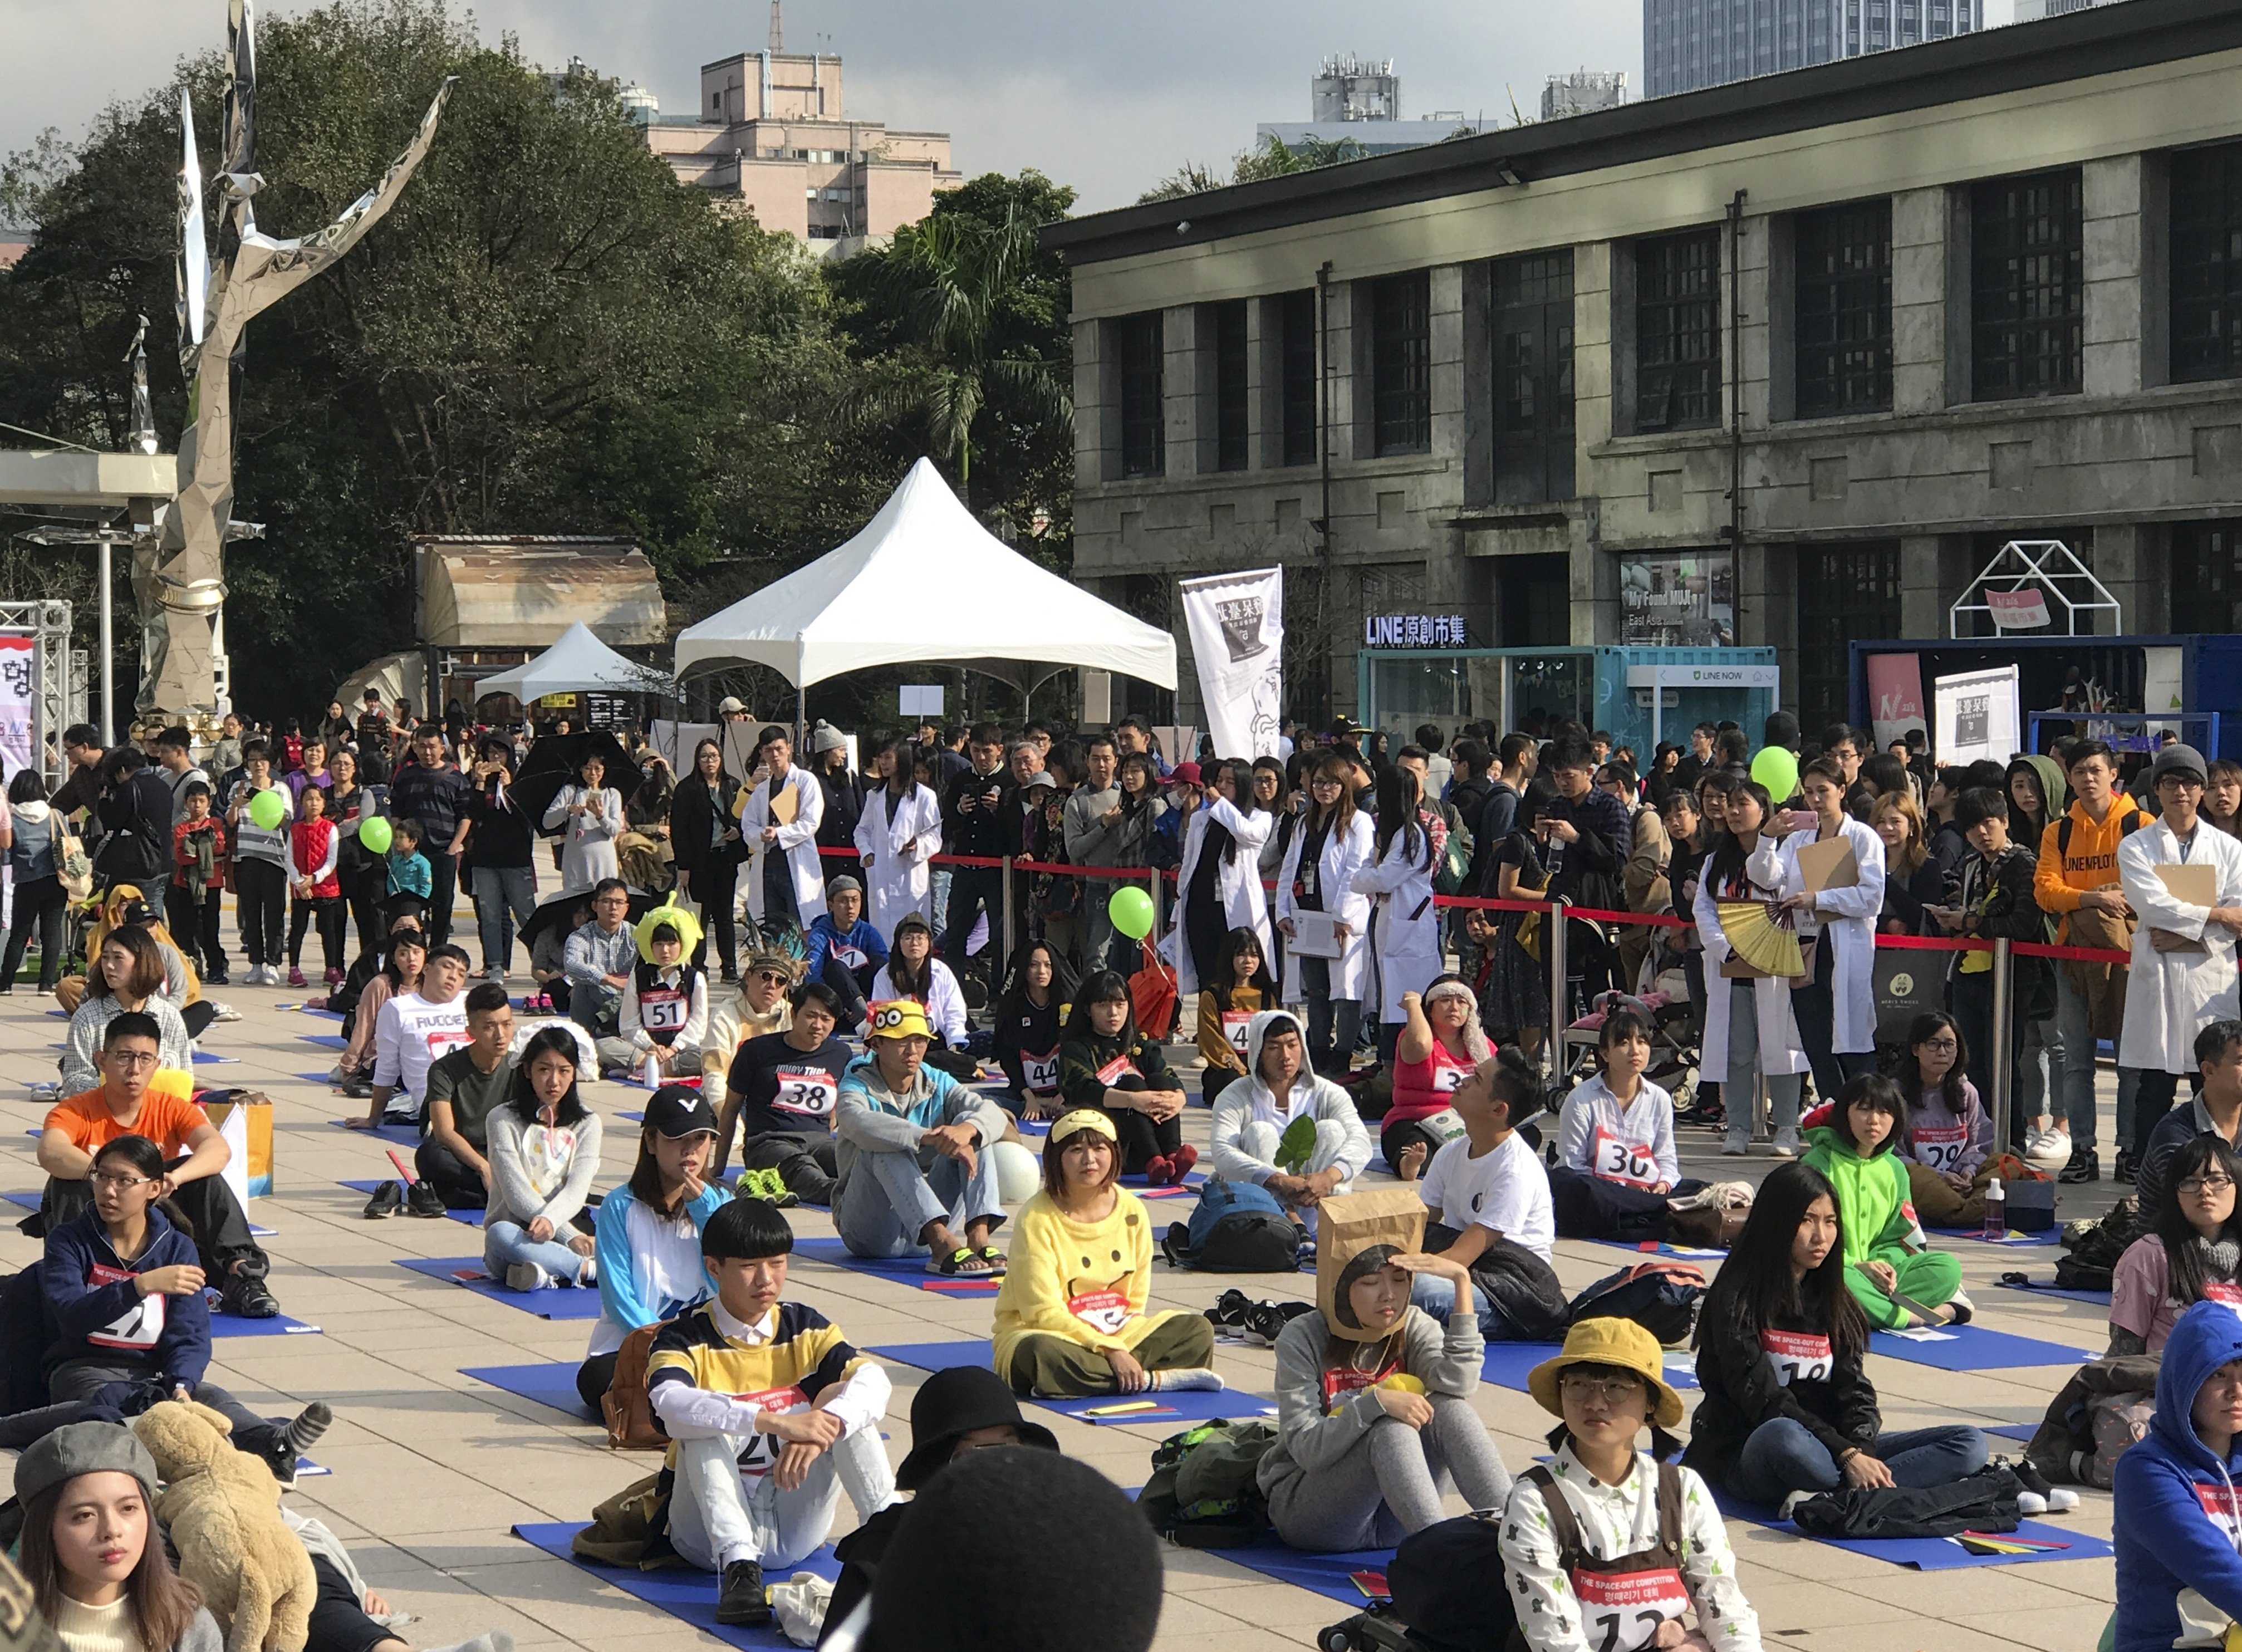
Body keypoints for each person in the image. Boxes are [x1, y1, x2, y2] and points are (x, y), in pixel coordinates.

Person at [644, 1197, 896, 1628]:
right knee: (703, 1422)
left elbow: (875, 1380)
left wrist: (824, 1424)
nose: (766, 1279)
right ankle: (739, 1568)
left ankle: (892, 1540)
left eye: (777, 1263)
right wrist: (774, 1421)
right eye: (748, 1266)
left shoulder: (804, 1325)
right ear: (714, 1266)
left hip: (792, 1518)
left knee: (849, 1404)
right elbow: (669, 1404)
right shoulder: (683, 1336)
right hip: (708, 1537)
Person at [1687, 1159, 1986, 1513]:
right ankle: (1863, 1495)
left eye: (1830, 1222)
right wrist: (1846, 1456)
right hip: (1754, 1447)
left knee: (1969, 1443)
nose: (1821, 1236)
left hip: (1832, 1449)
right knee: (1782, 1435)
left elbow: (1855, 1389)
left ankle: (1835, 1496)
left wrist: (1862, 1451)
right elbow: (1763, 1400)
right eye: (1807, 1221)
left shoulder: (1832, 1297)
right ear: (1776, 1222)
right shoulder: (1737, 1298)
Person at [38, 1139, 325, 1484]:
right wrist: (139, 1286)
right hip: (84, 1367)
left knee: (211, 1398)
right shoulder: (69, 1240)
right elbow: (70, 1315)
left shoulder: (177, 1247)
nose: (108, 1191)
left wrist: (182, 1381)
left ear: (154, 1189)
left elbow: (190, 1331)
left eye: (124, 1181)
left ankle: (274, 1444)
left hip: (152, 1370)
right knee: (116, 1408)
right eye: (101, 1177)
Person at [1259, 1199, 1510, 1552]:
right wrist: (1371, 1404)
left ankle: (1520, 1530)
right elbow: (1307, 1449)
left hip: (1397, 1518)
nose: (1388, 1295)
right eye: (1370, 1282)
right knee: (1390, 1428)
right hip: (1315, 1514)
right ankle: (1439, 1557)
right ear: (1341, 1288)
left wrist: (1461, 1282)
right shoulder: (1303, 1336)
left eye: (1399, 1279)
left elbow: (1459, 1384)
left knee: (1451, 1408)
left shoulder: (1414, 1325)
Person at [1503, 1316, 1760, 1652]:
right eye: (1579, 1384)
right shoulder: (1534, 1501)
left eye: (1616, 1387)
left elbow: (1723, 1603)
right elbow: (1556, 1640)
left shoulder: (1683, 1489)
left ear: (1651, 1402)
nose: (1595, 1402)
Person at [36, 1015, 278, 1319]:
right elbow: (51, 1151)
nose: (134, 1070)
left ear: (157, 1064)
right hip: (100, 1213)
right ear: (102, 1060)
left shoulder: (171, 1108)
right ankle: (77, 1278)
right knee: (68, 1180)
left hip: (158, 1210)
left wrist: (173, 1178)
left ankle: (243, 1276)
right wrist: (113, 1177)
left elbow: (218, 1150)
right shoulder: (75, 1109)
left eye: (145, 1059)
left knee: (204, 1176)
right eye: (124, 1057)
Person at [818, 1365, 1059, 1641]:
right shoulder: (886, 1552)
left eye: (1009, 1451)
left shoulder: (1049, 1538)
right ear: (936, 1469)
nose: (996, 1471)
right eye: (972, 1457)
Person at [990, 1110, 1220, 1397]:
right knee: (1039, 1354)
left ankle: (1098, 1379)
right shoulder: (1036, 1218)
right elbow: (1042, 1312)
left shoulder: (1132, 1210)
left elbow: (1134, 1301)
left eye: (1099, 1148)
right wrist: (1108, 1350)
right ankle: (1152, 1380)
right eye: (1076, 1150)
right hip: (1054, 1334)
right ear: (1056, 1158)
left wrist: (1117, 1345)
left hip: (1119, 1332)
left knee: (1198, 1330)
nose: (1089, 1160)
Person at [2120, 743, 2242, 1169]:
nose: (2181, 791)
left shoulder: (2228, 849)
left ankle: (2216, 1169)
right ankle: (2146, 1171)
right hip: (2157, 973)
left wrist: (2193, 938)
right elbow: (2152, 906)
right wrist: (2215, 915)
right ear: (2156, 788)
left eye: (2190, 782)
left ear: (2201, 790)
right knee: (2153, 1086)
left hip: (2208, 980)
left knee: (2208, 1081)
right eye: (2170, 782)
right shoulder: (2135, 846)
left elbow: (2239, 914)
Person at [2031, 738, 2147, 1183]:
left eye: (2095, 770)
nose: (2087, 778)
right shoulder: (2057, 831)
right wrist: (2094, 898)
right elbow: (2045, 891)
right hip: (2073, 959)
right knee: (2077, 1060)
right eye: (2078, 771)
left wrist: (2081, 900)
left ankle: (2129, 1150)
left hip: (2130, 959)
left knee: (2130, 1061)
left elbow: (2155, 890)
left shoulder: (2140, 824)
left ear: (2113, 774)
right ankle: (2081, 1149)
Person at [11, 1421, 224, 1652]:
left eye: (128, 1509)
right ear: (44, 1529)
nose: (112, 1530)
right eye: (85, 1515)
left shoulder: (186, 1626)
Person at [578, 1086, 727, 1414]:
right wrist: (664, 1345)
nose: (691, 1150)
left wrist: (704, 1214)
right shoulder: (620, 1206)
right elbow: (618, 1297)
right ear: (650, 1142)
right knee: (595, 1378)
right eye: (677, 1138)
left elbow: (730, 1285)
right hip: (636, 1347)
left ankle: (682, 1403)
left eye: (701, 1138)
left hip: (705, 1346)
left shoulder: (721, 1204)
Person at [833, 1000, 1009, 1276]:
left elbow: (993, 1113)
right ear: (876, 1044)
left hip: (926, 1222)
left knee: (972, 1130)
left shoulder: (937, 1080)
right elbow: (855, 1121)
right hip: (872, 1232)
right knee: (884, 1143)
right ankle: (940, 1243)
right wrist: (926, 1136)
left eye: (920, 1041)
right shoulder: (857, 1083)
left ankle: (979, 1237)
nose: (913, 1051)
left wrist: (967, 1132)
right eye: (901, 1041)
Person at [2111, 1298, 2242, 1652]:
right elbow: (2218, 1571)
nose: (2237, 1391)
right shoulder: (2147, 1471)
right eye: (2219, 1375)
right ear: (2185, 1382)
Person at [1397, 1048, 1557, 1339]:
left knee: (1416, 1291)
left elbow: (1458, 1257)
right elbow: (1418, 1226)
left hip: (1509, 1290)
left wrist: (1398, 1273)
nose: (1464, 1081)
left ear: (1498, 1110)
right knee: (1372, 1275)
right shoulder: (1451, 1152)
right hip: (1468, 1269)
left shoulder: (1515, 1170)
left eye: (1477, 1079)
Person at [1926, 785, 2051, 1151]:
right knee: (1971, 1063)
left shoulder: (2023, 863)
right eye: (1971, 828)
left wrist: (1970, 921)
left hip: (2011, 975)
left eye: (1988, 823)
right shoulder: (1968, 864)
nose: (1981, 833)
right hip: (1968, 970)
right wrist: (1956, 919)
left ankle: (2010, 1139)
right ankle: (1979, 1137)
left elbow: (2023, 923)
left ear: (2005, 821)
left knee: (2004, 1064)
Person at [1694, 780, 1809, 1157]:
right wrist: (1724, 948)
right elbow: (1703, 908)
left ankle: (1787, 1128)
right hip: (1731, 964)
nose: (1732, 811)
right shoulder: (1714, 860)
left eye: (1742, 803)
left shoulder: (1782, 853)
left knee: (1781, 1048)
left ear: (1765, 811)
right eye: (1730, 804)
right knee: (1736, 1049)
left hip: (1772, 963)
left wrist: (1766, 840)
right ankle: (1739, 1125)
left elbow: (1768, 878)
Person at [1801, 1074, 1967, 1329]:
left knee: (1947, 1269)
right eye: (1864, 1110)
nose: (1874, 1121)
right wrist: (1856, 1265)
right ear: (1845, 1112)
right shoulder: (1817, 1165)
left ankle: (1864, 1310)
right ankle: (1912, 1316)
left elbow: (1903, 1238)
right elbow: (1802, 1242)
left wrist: (1884, 1266)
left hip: (1874, 1278)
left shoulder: (1895, 1169)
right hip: (1831, 1269)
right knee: (1840, 1281)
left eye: (1884, 1112)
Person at [1779, 756, 1887, 1099]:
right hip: (1805, 946)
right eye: (1809, 792)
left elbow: (1871, 898)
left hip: (1846, 948)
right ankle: (1832, 1129)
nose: (1815, 799)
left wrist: (1819, 899)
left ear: (1842, 790)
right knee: (1817, 1043)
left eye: (1823, 791)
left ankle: (1870, 1121)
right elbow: (1770, 878)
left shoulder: (1863, 837)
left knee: (1853, 1044)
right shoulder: (1798, 839)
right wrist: (1769, 838)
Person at [1551, 1007, 1703, 1242]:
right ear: (1605, 1053)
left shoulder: (1659, 1099)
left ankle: (1643, 1213)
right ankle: (1649, 1215)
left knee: (1700, 1190)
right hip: (1600, 1191)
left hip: (1646, 1193)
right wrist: (1620, 1187)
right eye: (1623, 1043)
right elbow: (1573, 1165)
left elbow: (1666, 1159)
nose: (1635, 1050)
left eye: (1642, 1042)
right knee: (1569, 1183)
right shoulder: (1581, 1099)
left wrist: (1663, 1184)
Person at [1208, 1010, 1372, 1225]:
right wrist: (1278, 1180)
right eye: (1274, 1047)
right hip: (1262, 1212)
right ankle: (1290, 1222)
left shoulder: (1327, 1092)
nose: (1285, 1055)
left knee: (1332, 1130)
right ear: (1258, 1053)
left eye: (1292, 1045)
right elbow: (1222, 1153)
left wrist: (1329, 1176)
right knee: (1260, 1133)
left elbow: (1361, 1141)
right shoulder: (1235, 1095)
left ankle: (1330, 1227)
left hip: (1316, 1195)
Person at [479, 1026, 601, 1292]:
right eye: (544, 1070)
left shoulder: (588, 1123)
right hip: (520, 1230)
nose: (554, 1081)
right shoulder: (502, 1119)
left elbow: (577, 1188)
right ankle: (588, 1270)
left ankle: (542, 1274)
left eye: (564, 1071)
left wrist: (562, 1227)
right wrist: (568, 1237)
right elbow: (516, 1195)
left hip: (571, 1221)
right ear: (527, 1071)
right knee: (499, 1235)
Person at [1275, 753, 1373, 1080]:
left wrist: (1343, 914)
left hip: (1342, 920)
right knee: (1316, 990)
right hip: (1308, 916)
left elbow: (1355, 871)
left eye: (1331, 783)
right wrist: (1283, 911)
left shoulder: (1358, 822)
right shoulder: (1304, 821)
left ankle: (1342, 1055)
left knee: (1345, 991)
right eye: (1318, 782)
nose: (1324, 789)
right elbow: (1290, 867)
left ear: (1345, 785)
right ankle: (1317, 1050)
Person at [1057, 969, 1194, 1184]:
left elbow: (1168, 1074)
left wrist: (1178, 1097)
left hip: (1146, 1135)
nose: (1113, 1013)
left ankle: (1172, 1157)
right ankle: (1154, 1160)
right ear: (1088, 1009)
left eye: (1120, 1005)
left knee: (1161, 1083)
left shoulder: (1138, 1042)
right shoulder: (1076, 1047)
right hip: (1105, 1141)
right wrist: (1133, 1100)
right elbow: (1083, 1089)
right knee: (1132, 1083)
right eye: (1103, 1006)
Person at [718, 981, 850, 1203]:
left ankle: (866, 1192)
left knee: (855, 1162)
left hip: (819, 1141)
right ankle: (851, 1196)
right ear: (794, 1013)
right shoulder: (757, 1051)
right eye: (811, 1016)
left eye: (826, 1019)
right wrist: (717, 1167)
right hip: (769, 1142)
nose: (818, 1025)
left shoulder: (841, 1053)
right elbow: (730, 1109)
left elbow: (836, 1107)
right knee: (806, 1172)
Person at [2110, 1136, 2242, 1356]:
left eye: (2217, 1180)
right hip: (2165, 1384)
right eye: (2190, 1182)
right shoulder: (2150, 1255)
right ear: (2174, 1194)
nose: (2205, 1191)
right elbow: (2124, 1354)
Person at [1883, 1009, 2000, 1230]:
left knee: (2006, 1166)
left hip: (1962, 1181)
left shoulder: (1966, 1092)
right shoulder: (1895, 1093)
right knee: (1914, 1178)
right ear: (1916, 1049)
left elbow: (1979, 1144)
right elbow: (1894, 1154)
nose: (1942, 1052)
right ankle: (1965, 1212)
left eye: (1949, 1044)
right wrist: (1940, 1176)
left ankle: (1957, 1209)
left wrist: (1968, 1171)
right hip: (1922, 1181)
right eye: (1933, 1044)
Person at [1173, 758, 1273, 1006]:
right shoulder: (1201, 819)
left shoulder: (1259, 818)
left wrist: (1221, 804)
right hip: (1200, 905)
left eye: (1230, 782)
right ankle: (1210, 1023)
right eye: (1220, 781)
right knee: (1206, 971)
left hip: (1233, 909)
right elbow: (1188, 865)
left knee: (1233, 969)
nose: (1223, 786)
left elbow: (1246, 834)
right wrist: (1179, 905)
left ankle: (1232, 1020)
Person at [2134, 1020, 2242, 1242]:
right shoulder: (2175, 1133)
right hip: (2175, 1252)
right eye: (2241, 1061)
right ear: (2208, 1070)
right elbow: (2199, 1211)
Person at [410, 983, 514, 1212]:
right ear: (471, 1032)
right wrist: (483, 1168)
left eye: (507, 1025)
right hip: (463, 1155)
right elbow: (444, 1132)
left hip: (506, 1156)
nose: (500, 1035)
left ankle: (482, 1194)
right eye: (489, 1027)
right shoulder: (444, 1069)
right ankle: (500, 1193)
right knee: (431, 1156)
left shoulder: (521, 1066)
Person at [58, 932, 193, 1097]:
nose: (109, 965)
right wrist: (117, 1088)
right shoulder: (87, 1016)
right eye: (105, 957)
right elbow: (74, 1078)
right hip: (102, 1114)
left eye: (118, 958)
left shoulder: (169, 1016)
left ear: (142, 963)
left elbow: (184, 1076)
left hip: (157, 1113)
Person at [1381, 979, 1495, 1175]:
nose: (1454, 1007)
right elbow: (1419, 1044)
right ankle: (1408, 1165)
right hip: (1416, 1119)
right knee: (1416, 1144)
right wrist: (1413, 1005)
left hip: (1467, 1122)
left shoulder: (1482, 1045)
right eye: (1445, 1000)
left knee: (1526, 1134)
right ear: (1430, 1009)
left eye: (1462, 1001)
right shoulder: (1414, 1037)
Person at [360, 943, 471, 1130]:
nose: (453, 976)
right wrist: (373, 1119)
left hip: (482, 1094)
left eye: (461, 973)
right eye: (447, 967)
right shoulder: (398, 1008)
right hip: (438, 1106)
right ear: (426, 969)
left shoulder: (471, 1001)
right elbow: (387, 1069)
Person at [462, 736, 536, 986]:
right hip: (485, 858)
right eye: (490, 753)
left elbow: (526, 818)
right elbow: (472, 814)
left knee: (526, 914)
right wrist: (480, 784)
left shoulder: (521, 782)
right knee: (490, 914)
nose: (495, 759)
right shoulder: (479, 783)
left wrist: (511, 787)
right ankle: (495, 964)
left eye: (500, 753)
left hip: (516, 858)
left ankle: (541, 962)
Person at [387, 725, 470, 949]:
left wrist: (454, 847)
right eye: (422, 746)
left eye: (432, 747)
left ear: (442, 748)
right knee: (411, 904)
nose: (427, 752)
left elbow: (465, 816)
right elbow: (396, 813)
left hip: (443, 851)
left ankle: (439, 948)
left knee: (443, 905)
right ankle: (414, 947)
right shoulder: (405, 776)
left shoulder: (456, 778)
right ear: (414, 747)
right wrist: (401, 845)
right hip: (412, 854)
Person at [740, 727, 828, 938]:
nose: (775, 755)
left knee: (800, 927)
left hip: (796, 865)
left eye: (779, 749)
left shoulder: (805, 781)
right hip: (768, 867)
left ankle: (801, 970)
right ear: (762, 753)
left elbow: (811, 822)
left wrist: (780, 833)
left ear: (789, 749)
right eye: (769, 750)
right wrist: (761, 834)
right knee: (772, 928)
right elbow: (747, 825)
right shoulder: (762, 789)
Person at [940, 723, 1011, 978]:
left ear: (1000, 751)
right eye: (976, 751)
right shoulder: (961, 779)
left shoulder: (1009, 781)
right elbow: (946, 826)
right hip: (965, 867)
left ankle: (999, 992)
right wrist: (959, 810)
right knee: (956, 930)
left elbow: (1016, 830)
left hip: (996, 870)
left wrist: (998, 810)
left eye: (988, 752)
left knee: (1000, 932)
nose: (981, 758)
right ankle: (953, 986)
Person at [852, 738, 940, 940]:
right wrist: (867, 852)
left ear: (902, 759)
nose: (883, 763)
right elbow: (861, 831)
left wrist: (918, 846)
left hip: (909, 876)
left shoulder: (924, 796)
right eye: (881, 757)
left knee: (912, 937)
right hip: (880, 875)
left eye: (888, 757)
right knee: (883, 937)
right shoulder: (875, 796)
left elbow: (934, 836)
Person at [671, 738, 744, 981]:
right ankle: (699, 966)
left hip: (725, 860)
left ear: (721, 758)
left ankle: (729, 967)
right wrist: (683, 865)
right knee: (699, 917)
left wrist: (737, 831)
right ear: (697, 760)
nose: (710, 761)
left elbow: (744, 817)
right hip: (698, 862)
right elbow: (679, 829)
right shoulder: (687, 788)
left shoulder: (732, 785)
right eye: (704, 756)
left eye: (714, 756)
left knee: (724, 916)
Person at [613, 905, 709, 1084]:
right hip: (645, 1049)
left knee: (706, 1055)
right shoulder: (639, 976)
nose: (665, 950)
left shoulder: (695, 978)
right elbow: (628, 1023)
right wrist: (650, 1046)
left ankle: (658, 1069)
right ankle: (646, 1064)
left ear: (682, 944)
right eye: (659, 944)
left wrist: (674, 1049)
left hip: (681, 1050)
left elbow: (698, 1024)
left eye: (672, 944)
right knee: (604, 1046)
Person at [224, 741, 293, 986]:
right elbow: (231, 822)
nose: (258, 764)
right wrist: (237, 804)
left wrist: (268, 808)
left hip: (273, 859)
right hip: (246, 857)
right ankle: (255, 963)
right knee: (250, 914)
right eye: (253, 759)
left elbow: (286, 823)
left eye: (263, 759)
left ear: (270, 763)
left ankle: (273, 964)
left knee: (274, 914)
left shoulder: (281, 789)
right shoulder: (238, 787)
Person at [868, 913, 971, 1073]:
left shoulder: (941, 971)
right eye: (908, 938)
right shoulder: (885, 975)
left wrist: (954, 1048)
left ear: (929, 943)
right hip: (901, 1042)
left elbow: (954, 1013)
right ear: (898, 944)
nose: (914, 943)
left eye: (920, 938)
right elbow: (882, 1016)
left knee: (986, 1041)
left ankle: (942, 1062)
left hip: (937, 1038)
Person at [334, 921, 424, 1097]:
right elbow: (364, 1027)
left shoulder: (431, 986)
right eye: (403, 954)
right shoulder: (381, 986)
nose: (411, 959)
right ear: (393, 958)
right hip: (385, 1057)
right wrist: (349, 1066)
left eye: (417, 952)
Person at [1063, 736, 1125, 973]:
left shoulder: (1127, 795)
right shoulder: (1077, 802)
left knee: (1128, 953)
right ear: (1087, 762)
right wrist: (1104, 826)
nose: (1101, 765)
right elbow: (1074, 850)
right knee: (1097, 955)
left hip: (1129, 885)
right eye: (1096, 759)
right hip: (1097, 886)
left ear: (1115, 761)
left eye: (1106, 759)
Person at [1195, 926, 1274, 1107]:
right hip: (1226, 1070)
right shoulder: (1212, 995)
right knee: (1234, 1085)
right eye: (1241, 954)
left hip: (1261, 1067)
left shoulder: (1266, 995)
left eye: (1254, 955)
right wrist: (1241, 1069)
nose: (1248, 961)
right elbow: (1211, 1041)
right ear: (1229, 957)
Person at [990, 942, 1067, 1120]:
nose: (1042, 971)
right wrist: (1031, 1098)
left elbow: (1077, 1052)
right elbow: (1007, 1057)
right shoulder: (1014, 1007)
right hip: (1026, 1094)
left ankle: (1056, 1107)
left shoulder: (1066, 1004)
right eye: (1034, 965)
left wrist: (1064, 1093)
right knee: (980, 1101)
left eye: (1048, 965)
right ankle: (1040, 1108)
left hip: (1063, 1094)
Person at [701, 950, 799, 1090]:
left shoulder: (792, 1016)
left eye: (780, 981)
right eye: (766, 976)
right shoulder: (725, 1015)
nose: (772, 985)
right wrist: (727, 1111)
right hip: (731, 1096)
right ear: (748, 977)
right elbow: (715, 1075)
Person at [162, 782, 225, 989]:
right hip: (185, 884)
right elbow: (183, 858)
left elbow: (220, 848)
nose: (197, 805)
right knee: (186, 929)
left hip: (212, 884)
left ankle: (216, 968)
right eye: (192, 801)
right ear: (186, 803)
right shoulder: (180, 828)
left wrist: (197, 846)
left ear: (208, 802)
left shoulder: (215, 823)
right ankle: (190, 968)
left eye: (201, 801)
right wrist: (204, 846)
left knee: (211, 928)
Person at [801, 876, 886, 1030]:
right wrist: (837, 1006)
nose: (850, 906)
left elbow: (886, 971)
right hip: (838, 1005)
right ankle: (862, 1010)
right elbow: (813, 975)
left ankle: (868, 1011)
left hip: (868, 1000)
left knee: (880, 962)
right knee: (836, 967)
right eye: (843, 901)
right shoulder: (819, 934)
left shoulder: (869, 932)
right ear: (831, 905)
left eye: (855, 900)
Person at [325, 748, 386, 958]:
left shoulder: (364, 794)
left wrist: (332, 829)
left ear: (355, 768)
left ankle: (370, 964)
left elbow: (363, 823)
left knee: (367, 920)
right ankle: (335, 967)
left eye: (346, 763)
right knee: (334, 921)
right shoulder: (322, 796)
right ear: (329, 767)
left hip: (362, 866)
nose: (341, 768)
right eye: (336, 763)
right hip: (331, 868)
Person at [560, 879, 636, 1051]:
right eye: (607, 901)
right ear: (595, 906)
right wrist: (607, 979)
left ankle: (609, 1025)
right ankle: (597, 1029)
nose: (613, 907)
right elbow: (572, 964)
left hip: (628, 1001)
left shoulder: (636, 935)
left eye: (619, 902)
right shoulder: (581, 935)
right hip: (592, 1002)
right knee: (584, 983)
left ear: (627, 907)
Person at [283, 785, 344, 991]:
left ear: (324, 803)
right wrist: (300, 882)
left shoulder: (330, 829)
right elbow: (289, 859)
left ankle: (331, 968)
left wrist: (315, 878)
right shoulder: (295, 829)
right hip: (301, 888)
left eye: (318, 799)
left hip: (325, 887)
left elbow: (332, 860)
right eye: (309, 799)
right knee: (298, 929)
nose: (314, 803)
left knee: (328, 930)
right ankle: (294, 969)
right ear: (301, 803)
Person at [542, 750, 623, 897]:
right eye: (587, 768)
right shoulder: (570, 791)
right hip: (576, 859)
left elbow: (614, 830)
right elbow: (547, 822)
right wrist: (568, 809)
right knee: (575, 902)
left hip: (603, 860)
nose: (593, 773)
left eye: (597, 768)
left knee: (604, 899)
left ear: (605, 770)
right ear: (581, 769)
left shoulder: (612, 794)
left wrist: (601, 816)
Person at [1870, 790, 1943, 935]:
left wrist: (1884, 880)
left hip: (1912, 953)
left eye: (1895, 821)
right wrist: (1885, 924)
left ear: (1911, 826)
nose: (1888, 828)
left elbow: (1925, 919)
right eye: (1881, 822)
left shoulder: (1927, 866)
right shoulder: (1865, 864)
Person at [384, 820, 430, 907]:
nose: (397, 841)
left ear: (414, 841)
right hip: (397, 902)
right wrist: (393, 893)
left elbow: (426, 885)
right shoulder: (395, 860)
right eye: (396, 837)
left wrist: (420, 902)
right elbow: (390, 880)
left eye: (401, 837)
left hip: (415, 903)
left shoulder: (422, 862)